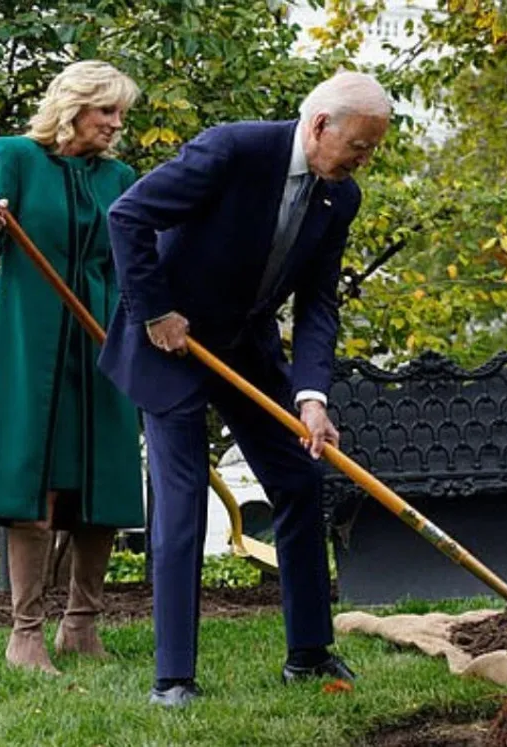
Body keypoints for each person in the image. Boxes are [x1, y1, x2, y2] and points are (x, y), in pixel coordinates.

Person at [100, 71, 392, 707]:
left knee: (299, 478)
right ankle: (173, 678)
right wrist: (155, 312)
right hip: (169, 343)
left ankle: (310, 654)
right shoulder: (232, 150)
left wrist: (311, 396)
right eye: (361, 146)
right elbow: (128, 217)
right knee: (182, 499)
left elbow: (318, 303)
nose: (365, 160)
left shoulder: (339, 198)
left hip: (246, 344)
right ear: (320, 126)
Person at [0, 60, 145, 675]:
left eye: (120, 113)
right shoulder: (14, 156)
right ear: (73, 108)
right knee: (35, 475)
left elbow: (129, 261)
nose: (117, 124)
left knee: (103, 475)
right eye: (107, 112)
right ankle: (25, 633)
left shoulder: (118, 176)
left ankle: (82, 626)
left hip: (101, 340)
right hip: (31, 341)